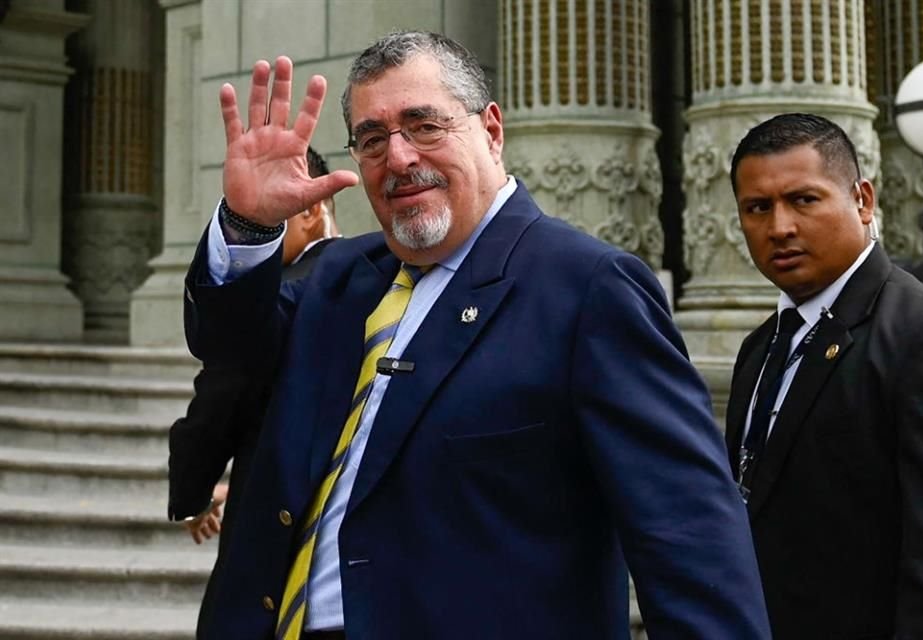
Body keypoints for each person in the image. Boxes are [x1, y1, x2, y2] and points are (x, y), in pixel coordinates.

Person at [184, 31, 769, 640]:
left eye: (424, 125)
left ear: (491, 130)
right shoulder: (337, 280)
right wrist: (248, 224)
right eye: (373, 139)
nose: (400, 157)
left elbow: (687, 531)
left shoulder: (587, 288)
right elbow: (227, 347)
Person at [726, 112, 923, 639]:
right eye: (757, 208)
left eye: (803, 200)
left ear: (863, 200)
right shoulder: (758, 348)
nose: (779, 227)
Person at [168, 146, 341, 546]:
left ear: (311, 211)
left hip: (281, 528)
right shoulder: (386, 278)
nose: (255, 227)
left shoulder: (281, 295)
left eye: (266, 211)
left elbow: (219, 399)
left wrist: (194, 495)